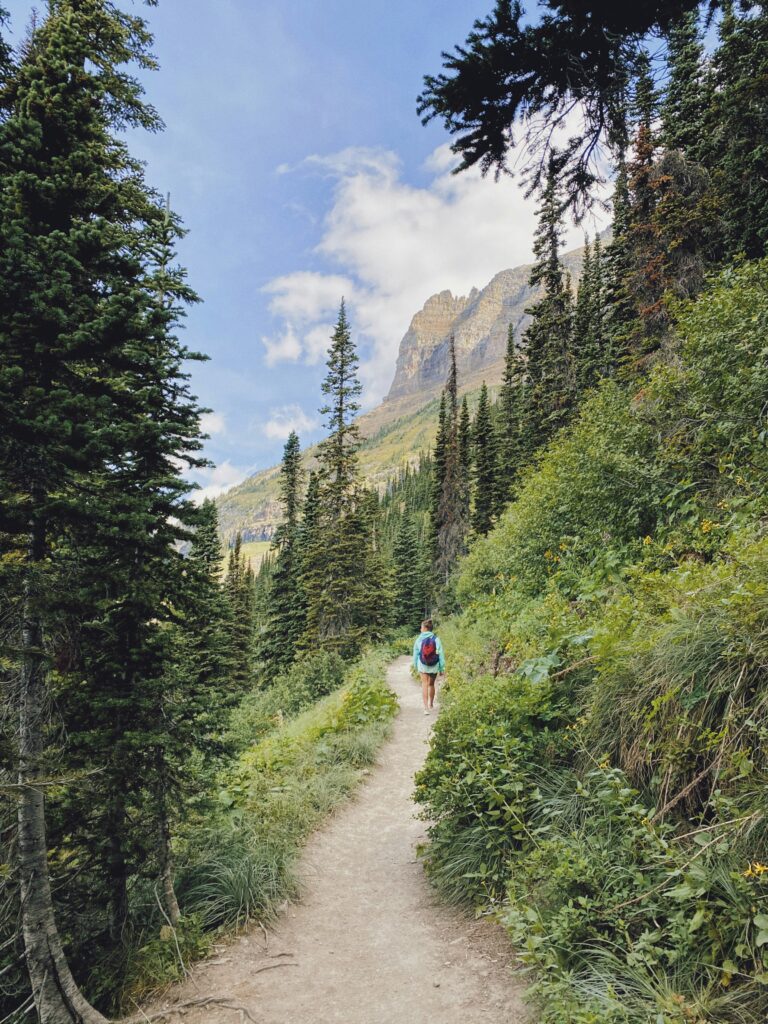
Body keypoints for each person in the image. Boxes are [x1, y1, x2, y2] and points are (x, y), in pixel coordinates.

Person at [413, 618, 445, 715]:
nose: (420, 629)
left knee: (424, 685)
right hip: (434, 665)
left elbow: (415, 654)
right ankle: (431, 704)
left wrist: (415, 665)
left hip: (423, 665)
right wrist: (441, 668)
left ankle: (426, 708)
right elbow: (441, 654)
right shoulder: (436, 639)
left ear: (425, 628)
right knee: (431, 684)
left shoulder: (419, 639)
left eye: (421, 627)